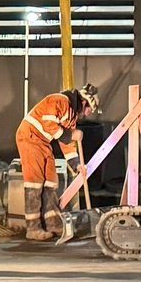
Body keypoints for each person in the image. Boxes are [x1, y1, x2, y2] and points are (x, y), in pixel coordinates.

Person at [15, 86, 90, 243]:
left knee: (51, 182)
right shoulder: (59, 101)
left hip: (43, 142)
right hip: (29, 137)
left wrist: (77, 164)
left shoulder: (72, 117)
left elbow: (67, 145)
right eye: (90, 109)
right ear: (84, 102)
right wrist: (71, 135)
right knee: (35, 184)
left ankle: (53, 224)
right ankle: (33, 229)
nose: (90, 113)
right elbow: (50, 125)